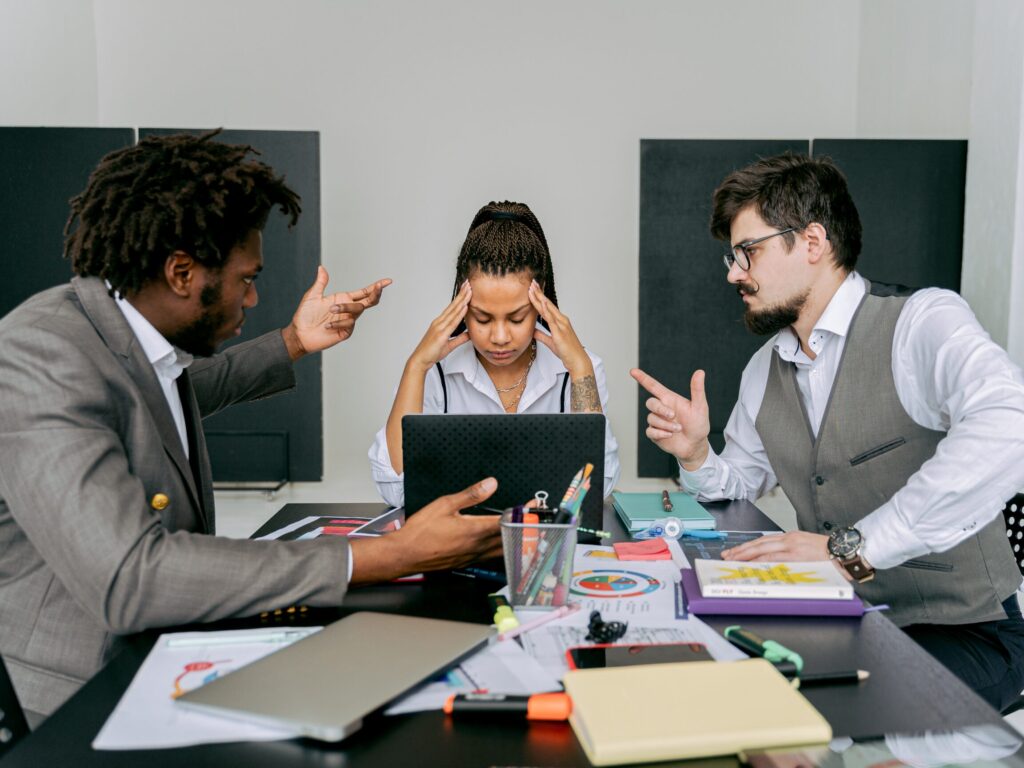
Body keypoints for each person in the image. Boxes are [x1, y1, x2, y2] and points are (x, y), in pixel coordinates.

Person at [0, 132, 502, 722]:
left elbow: (181, 392)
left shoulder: (125, 339)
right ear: (182, 272)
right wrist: (387, 555)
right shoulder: (41, 355)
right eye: (246, 279)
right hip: (73, 701)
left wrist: (294, 341)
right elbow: (130, 578)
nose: (255, 297)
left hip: (160, 660)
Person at [632, 153, 1024, 711]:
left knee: (808, 710)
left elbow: (1009, 421)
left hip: (967, 631)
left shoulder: (920, 322)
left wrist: (851, 550)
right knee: (713, 682)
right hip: (841, 616)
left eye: (749, 251)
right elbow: (739, 483)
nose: (734, 273)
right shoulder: (764, 368)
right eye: (732, 256)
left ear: (813, 242)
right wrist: (696, 455)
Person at [369, 201, 620, 508]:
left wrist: (580, 368)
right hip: (456, 538)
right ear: (462, 306)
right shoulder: (433, 371)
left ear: (540, 301)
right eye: (482, 319)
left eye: (517, 318)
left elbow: (594, 488)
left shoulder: (580, 369)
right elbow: (396, 489)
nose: (500, 337)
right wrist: (416, 366)